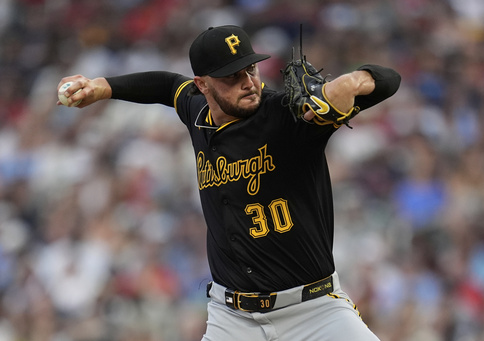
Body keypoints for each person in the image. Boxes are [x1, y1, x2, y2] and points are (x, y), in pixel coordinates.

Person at [57, 25, 401, 341]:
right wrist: (101, 87)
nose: (248, 82)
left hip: (314, 311)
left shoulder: (291, 115)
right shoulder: (195, 110)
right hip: (233, 319)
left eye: (250, 69)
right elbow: (164, 85)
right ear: (202, 84)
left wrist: (353, 83)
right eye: (231, 77)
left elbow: (390, 80)